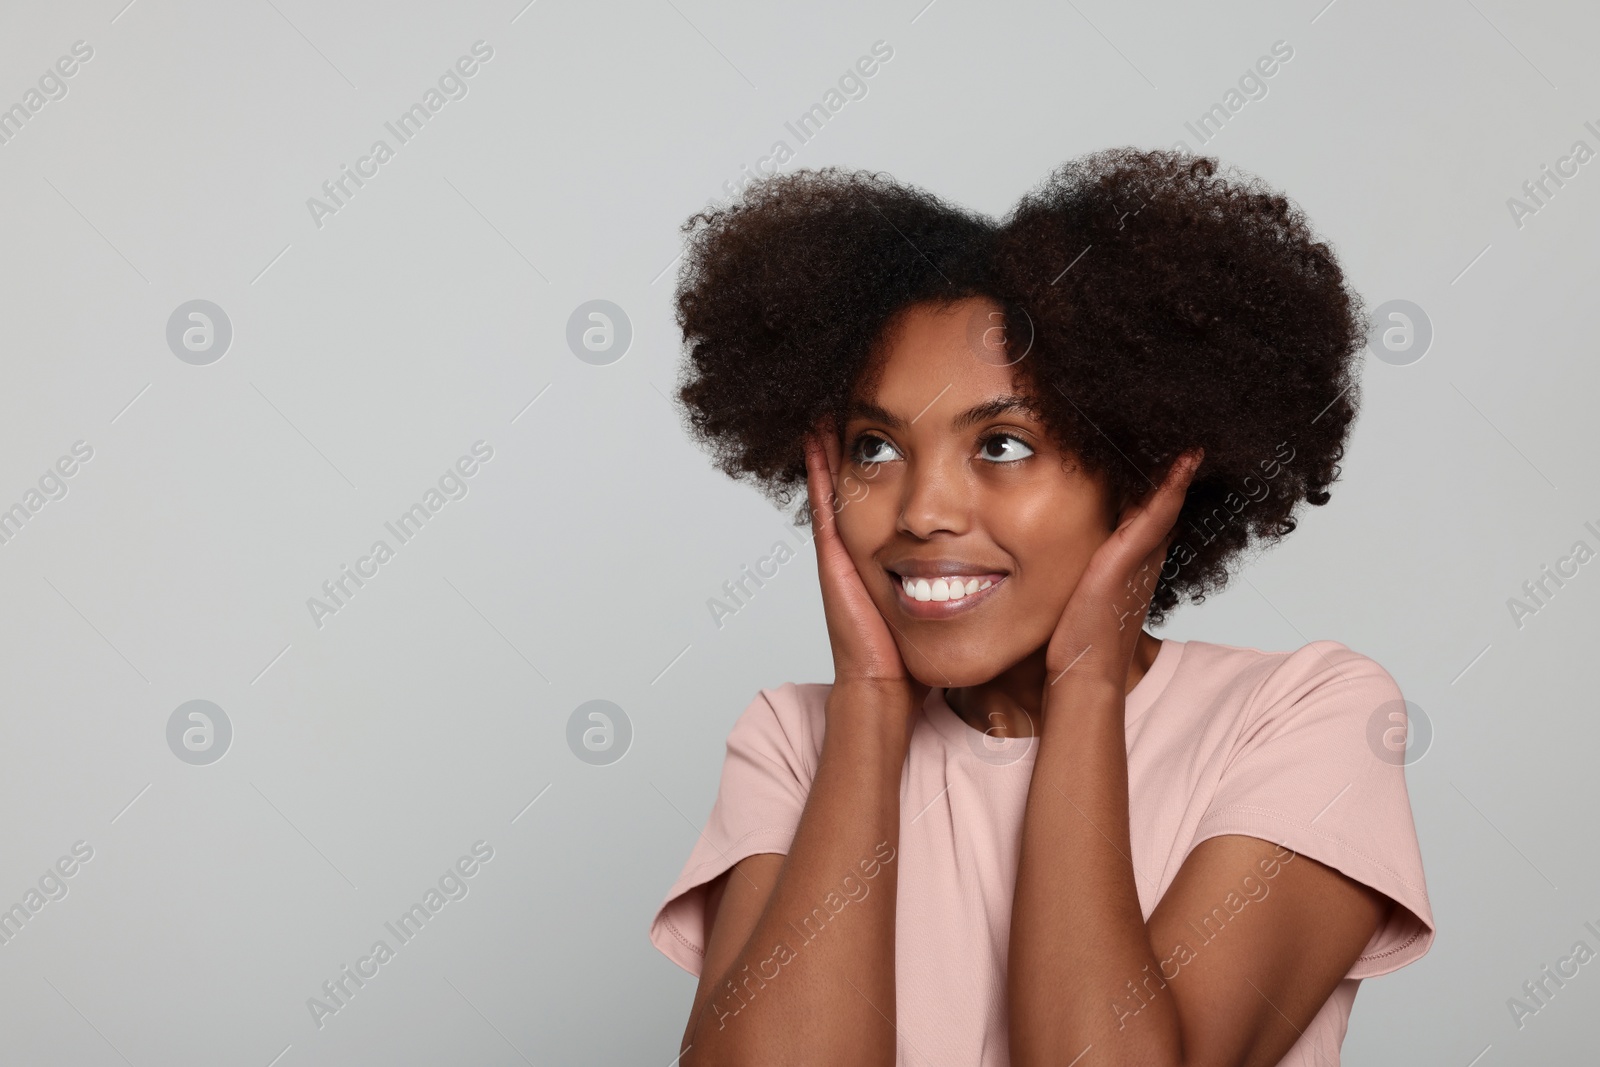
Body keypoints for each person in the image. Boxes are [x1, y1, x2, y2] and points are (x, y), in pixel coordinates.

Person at [648, 147, 1434, 1066]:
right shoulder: (794, 742)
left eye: (1005, 444)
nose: (922, 511)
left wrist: (1088, 683)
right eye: (873, 446)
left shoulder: (1302, 716)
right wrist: (865, 699)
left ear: (1139, 470)